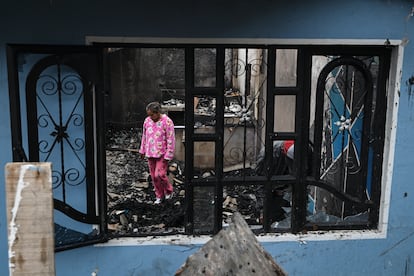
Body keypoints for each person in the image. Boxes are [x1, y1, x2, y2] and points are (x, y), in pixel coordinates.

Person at [139, 102, 175, 204]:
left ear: (157, 112)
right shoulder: (147, 121)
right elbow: (144, 136)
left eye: (152, 115)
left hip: (162, 153)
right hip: (150, 152)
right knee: (154, 176)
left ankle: (168, 190)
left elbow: (171, 138)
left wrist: (169, 154)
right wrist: (142, 150)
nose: (150, 117)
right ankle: (159, 195)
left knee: (160, 174)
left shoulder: (167, 122)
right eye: (149, 115)